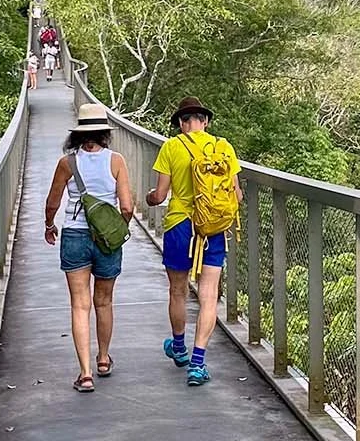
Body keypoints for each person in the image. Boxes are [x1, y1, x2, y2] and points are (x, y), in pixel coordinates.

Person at [145, 96, 241, 386]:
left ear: (180, 123)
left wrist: (150, 197)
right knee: (209, 293)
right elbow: (236, 195)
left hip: (181, 226)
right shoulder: (223, 147)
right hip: (213, 226)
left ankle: (179, 347)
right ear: (206, 121)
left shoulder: (172, 146)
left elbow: (160, 196)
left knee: (177, 290)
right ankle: (198, 364)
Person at [44, 103, 134, 392]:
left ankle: (85, 374)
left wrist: (49, 225)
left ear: (78, 134)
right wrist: (118, 227)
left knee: (79, 305)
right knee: (104, 301)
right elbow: (128, 207)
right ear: (105, 134)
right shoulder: (116, 160)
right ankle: (104, 358)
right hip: (106, 240)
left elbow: (53, 202)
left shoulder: (67, 163)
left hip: (74, 236)